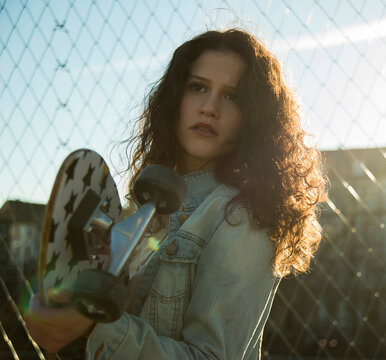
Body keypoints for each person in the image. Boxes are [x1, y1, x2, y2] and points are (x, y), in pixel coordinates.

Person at [23, 28, 327, 359]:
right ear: (175, 99)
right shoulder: (148, 209)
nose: (209, 108)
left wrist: (94, 331)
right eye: (198, 87)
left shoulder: (242, 216)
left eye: (232, 96)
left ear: (252, 118)